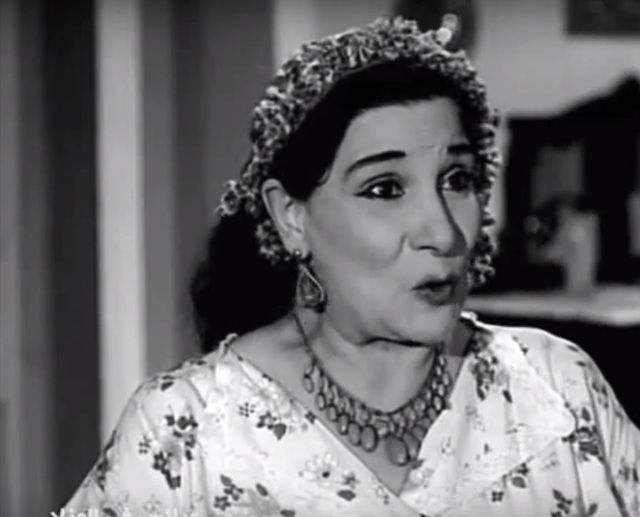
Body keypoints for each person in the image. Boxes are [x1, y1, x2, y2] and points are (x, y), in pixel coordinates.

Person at [63, 17, 640, 516]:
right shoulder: (184, 433)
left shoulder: (557, 388)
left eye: (457, 180)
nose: (443, 233)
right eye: (385, 188)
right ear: (292, 219)